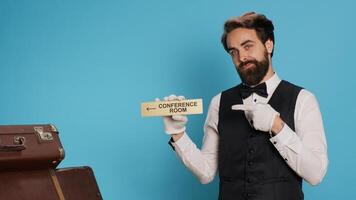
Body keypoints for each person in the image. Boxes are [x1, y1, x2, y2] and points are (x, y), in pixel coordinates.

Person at [157, 12, 328, 200]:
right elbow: (206, 173)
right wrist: (178, 134)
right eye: (233, 52)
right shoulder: (219, 102)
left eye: (248, 46)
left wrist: (277, 127)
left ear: (268, 45)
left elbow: (316, 174)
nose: (241, 57)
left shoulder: (303, 99)